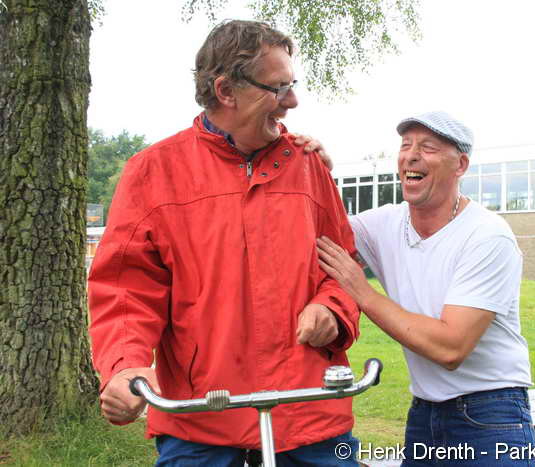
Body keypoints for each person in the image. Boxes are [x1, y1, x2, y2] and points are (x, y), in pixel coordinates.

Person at [88, 20, 361, 466]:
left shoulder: (309, 166)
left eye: (292, 86)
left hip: (308, 415)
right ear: (226, 90)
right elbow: (124, 290)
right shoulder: (152, 172)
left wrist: (331, 308)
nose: (292, 101)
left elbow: (344, 267)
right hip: (199, 422)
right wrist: (125, 366)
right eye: (279, 88)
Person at [317, 111, 535, 466]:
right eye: (406, 146)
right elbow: (318, 234)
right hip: (424, 412)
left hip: (489, 414)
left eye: (428, 148)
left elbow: (451, 347)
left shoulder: (487, 235)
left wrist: (364, 294)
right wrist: (315, 172)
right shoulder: (384, 224)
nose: (411, 156)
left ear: (460, 165)